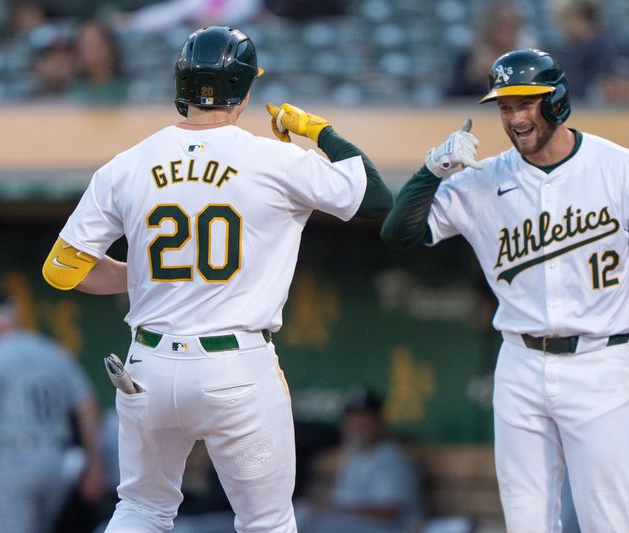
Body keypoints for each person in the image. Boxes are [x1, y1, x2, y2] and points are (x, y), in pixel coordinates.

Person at [41, 25, 392, 533]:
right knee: (266, 521)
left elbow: (61, 270)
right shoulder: (275, 159)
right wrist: (318, 133)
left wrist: (143, 278)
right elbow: (377, 198)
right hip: (236, 367)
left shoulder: (127, 164)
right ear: (245, 92)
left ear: (181, 88)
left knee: (141, 509)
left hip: (148, 368)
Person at [380, 49, 629, 532]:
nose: (514, 118)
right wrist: (431, 170)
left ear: (557, 101)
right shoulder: (482, 179)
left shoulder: (622, 167)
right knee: (526, 523)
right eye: (505, 107)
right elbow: (398, 233)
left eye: (526, 103)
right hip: (519, 363)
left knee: (608, 521)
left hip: (601, 363)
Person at [0, 288, 106, 533]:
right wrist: (94, 463)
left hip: (12, 460)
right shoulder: (52, 351)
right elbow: (87, 405)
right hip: (56, 461)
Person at [296, 388, 423, 533]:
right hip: (353, 523)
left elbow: (389, 512)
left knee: (315, 522)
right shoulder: (355, 454)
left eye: (365, 420)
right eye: (353, 419)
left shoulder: (392, 458)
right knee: (301, 512)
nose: (358, 426)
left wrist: (334, 510)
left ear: (379, 421)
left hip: (391, 527)